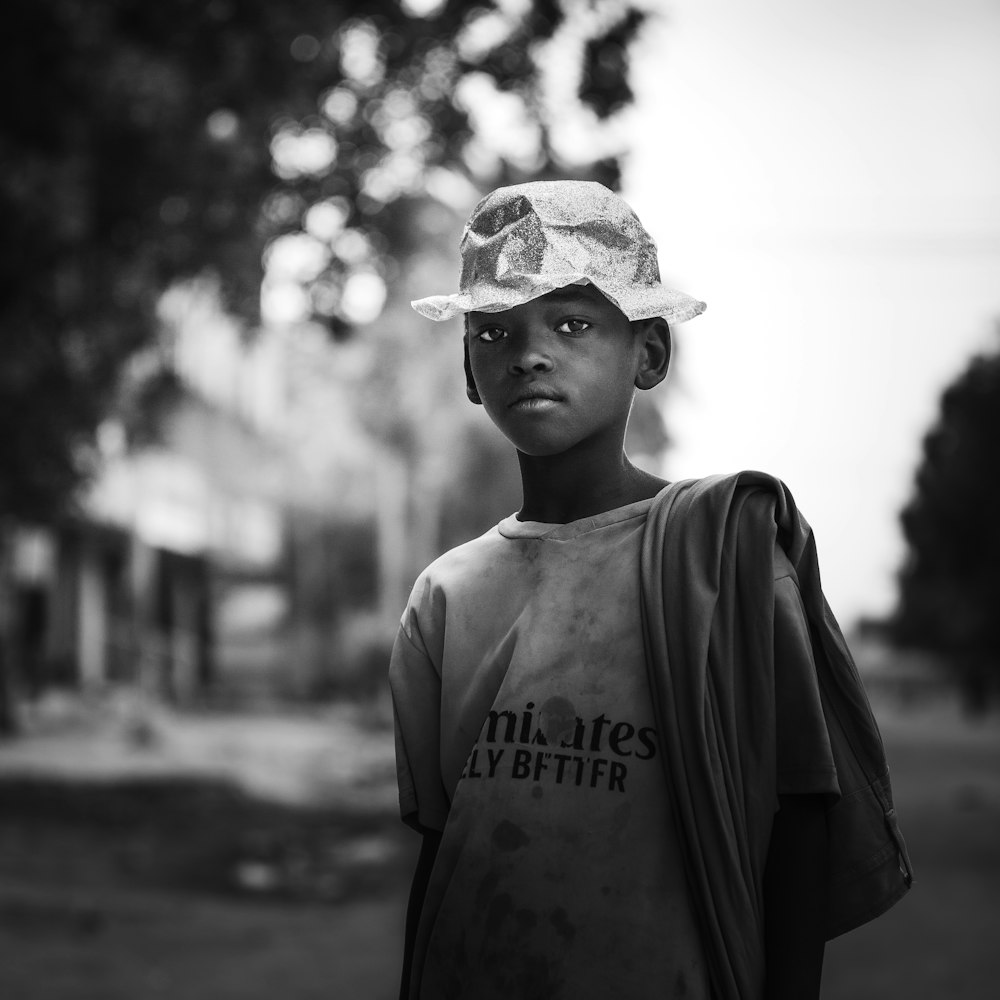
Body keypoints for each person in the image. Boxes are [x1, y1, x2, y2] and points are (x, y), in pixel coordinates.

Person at [388, 180, 912, 1000]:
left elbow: (801, 814)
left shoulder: (724, 556)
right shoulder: (447, 595)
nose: (528, 353)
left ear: (650, 353)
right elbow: (441, 845)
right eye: (494, 331)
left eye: (572, 323)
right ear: (468, 369)